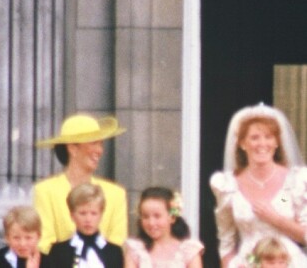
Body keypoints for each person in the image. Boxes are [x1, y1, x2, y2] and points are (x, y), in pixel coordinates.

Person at [210, 103, 307, 268]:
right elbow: (226, 240)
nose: (262, 144)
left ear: (277, 142)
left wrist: (276, 219)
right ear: (242, 143)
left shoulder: (292, 183)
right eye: (255, 138)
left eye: (268, 137)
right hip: (247, 263)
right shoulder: (228, 185)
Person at [33, 112, 127, 254]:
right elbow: (45, 244)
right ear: (73, 148)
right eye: (94, 143)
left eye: (101, 144)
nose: (100, 150)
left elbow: (118, 245)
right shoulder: (45, 191)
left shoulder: (116, 193)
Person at [46, 182, 123, 267]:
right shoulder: (59, 252)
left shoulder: (114, 252)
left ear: (101, 215)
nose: (88, 219)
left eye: (94, 213)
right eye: (82, 213)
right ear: (72, 215)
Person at [123, 186, 204, 267]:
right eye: (145, 217)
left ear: (172, 217)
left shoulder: (188, 251)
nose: (151, 223)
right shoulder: (135, 250)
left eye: (157, 216)